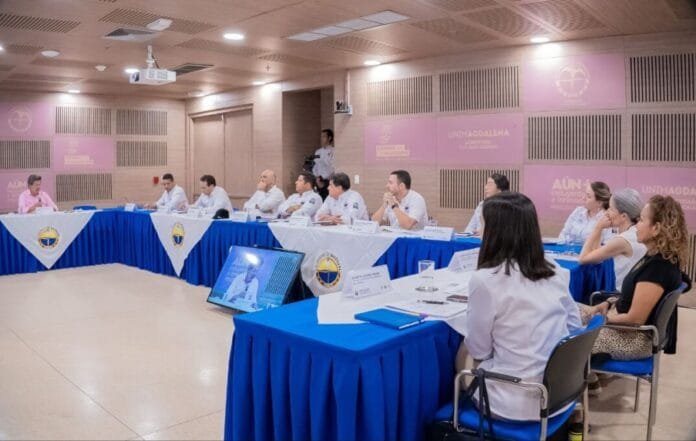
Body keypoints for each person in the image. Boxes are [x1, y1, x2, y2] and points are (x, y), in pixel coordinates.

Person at [454, 192, 582, 421]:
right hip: (561, 395)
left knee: (463, 353)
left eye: (483, 224)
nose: (479, 231)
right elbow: (574, 325)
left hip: (514, 401)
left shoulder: (485, 280)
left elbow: (480, 350)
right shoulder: (554, 269)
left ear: (496, 232)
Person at [579, 195, 689, 361]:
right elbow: (632, 299)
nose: (636, 225)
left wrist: (602, 319)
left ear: (656, 228)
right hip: (625, 326)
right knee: (566, 310)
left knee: (570, 339)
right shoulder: (654, 257)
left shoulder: (658, 269)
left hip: (634, 339)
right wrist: (608, 303)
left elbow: (634, 320)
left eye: (642, 220)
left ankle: (575, 373)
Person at [579, 188, 647, 289]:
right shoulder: (635, 232)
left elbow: (583, 259)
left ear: (623, 216)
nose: (606, 212)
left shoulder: (623, 240)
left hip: (618, 294)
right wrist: (600, 229)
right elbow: (597, 257)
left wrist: (597, 228)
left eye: (611, 209)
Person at [313, 128, 335, 200]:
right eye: (321, 136)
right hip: (318, 180)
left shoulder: (333, 151)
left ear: (329, 138)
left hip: (328, 181)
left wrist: (324, 179)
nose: (322, 138)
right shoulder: (318, 152)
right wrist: (317, 178)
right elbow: (315, 166)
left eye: (324, 136)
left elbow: (333, 168)